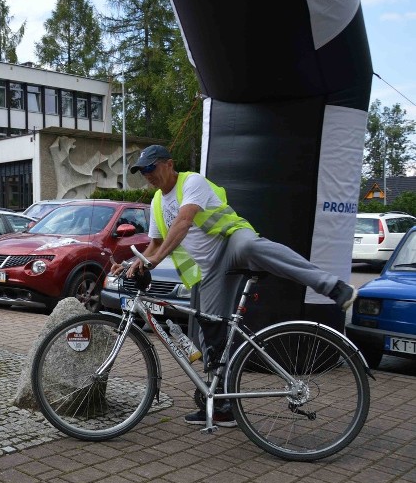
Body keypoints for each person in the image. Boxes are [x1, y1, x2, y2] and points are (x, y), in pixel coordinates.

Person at [112, 144, 356, 427]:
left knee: (253, 246)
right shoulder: (156, 201)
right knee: (210, 334)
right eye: (142, 171)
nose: (147, 175)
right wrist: (134, 262)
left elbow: (183, 221)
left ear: (168, 164)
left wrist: (154, 262)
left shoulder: (192, 182)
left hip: (230, 244)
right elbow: (154, 244)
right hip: (208, 272)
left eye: (151, 168)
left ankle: (334, 287)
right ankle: (223, 404)